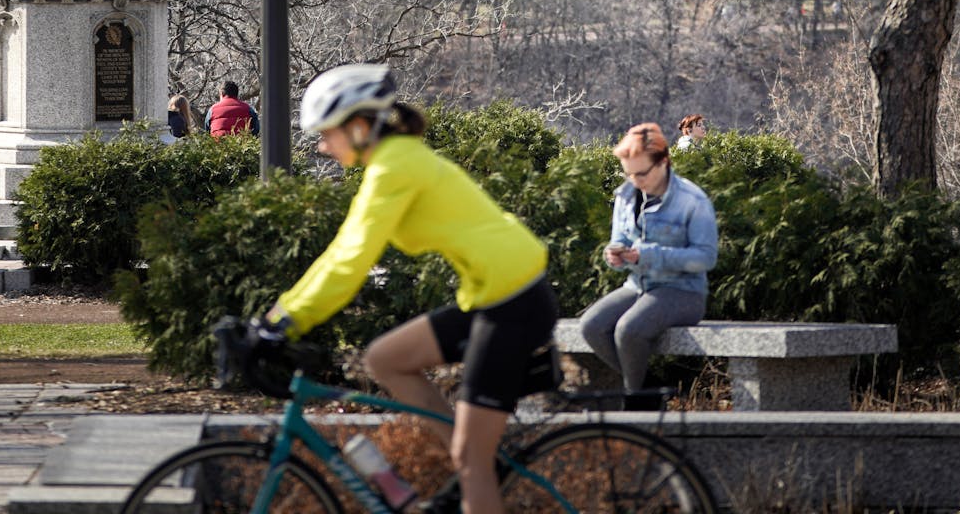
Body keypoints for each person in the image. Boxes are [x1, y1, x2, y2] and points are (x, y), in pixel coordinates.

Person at [263, 64, 556, 514]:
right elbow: (346, 249)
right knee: (386, 360)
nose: (322, 146)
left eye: (327, 133)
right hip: (490, 294)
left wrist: (285, 318)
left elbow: (350, 257)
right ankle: (469, 453)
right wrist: (285, 313)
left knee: (472, 460)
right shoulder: (391, 161)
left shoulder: (394, 167)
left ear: (360, 126)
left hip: (513, 303)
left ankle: (472, 460)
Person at [580, 122, 717, 404]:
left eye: (641, 173)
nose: (635, 180)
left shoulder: (692, 200)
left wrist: (650, 255)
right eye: (628, 173)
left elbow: (705, 257)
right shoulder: (625, 195)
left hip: (684, 292)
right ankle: (651, 391)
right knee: (591, 326)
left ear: (663, 162)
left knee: (629, 329)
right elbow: (618, 239)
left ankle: (635, 403)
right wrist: (615, 254)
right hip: (637, 285)